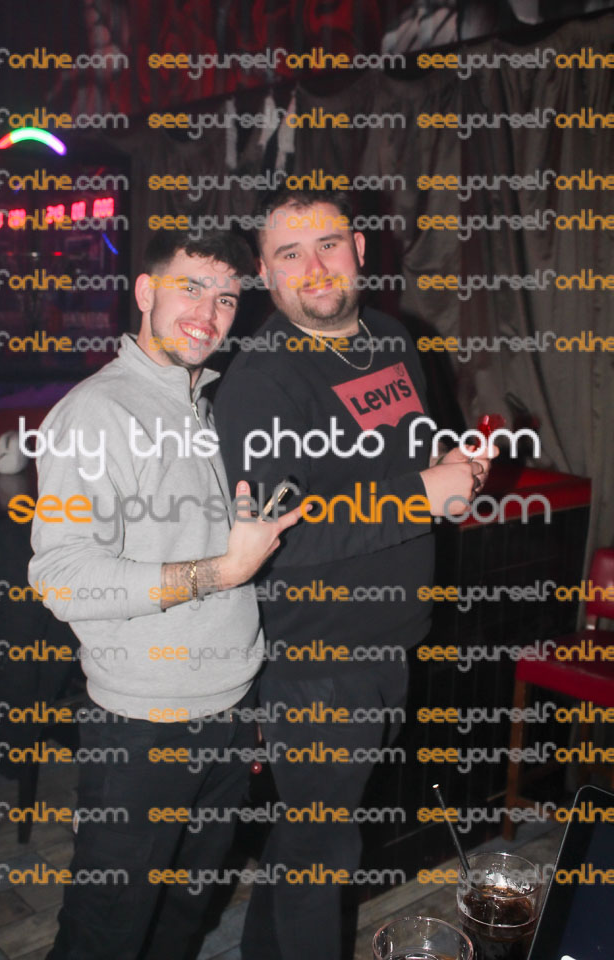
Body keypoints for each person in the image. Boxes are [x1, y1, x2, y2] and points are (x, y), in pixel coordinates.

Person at [214, 187, 494, 960]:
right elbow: (277, 539)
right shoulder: (263, 380)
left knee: (306, 841)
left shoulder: (392, 339)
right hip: (317, 662)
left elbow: (408, 451)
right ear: (265, 273)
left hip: (388, 643)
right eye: (289, 253)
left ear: (359, 250)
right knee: (321, 857)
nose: (314, 267)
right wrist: (421, 496)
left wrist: (448, 463)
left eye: (328, 244)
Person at [27, 230, 303, 960]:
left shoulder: (208, 402)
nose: (208, 315)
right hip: (144, 726)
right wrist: (220, 572)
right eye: (190, 288)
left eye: (226, 299)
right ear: (146, 292)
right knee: (106, 932)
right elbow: (62, 578)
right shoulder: (97, 415)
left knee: (184, 918)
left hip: (227, 709)